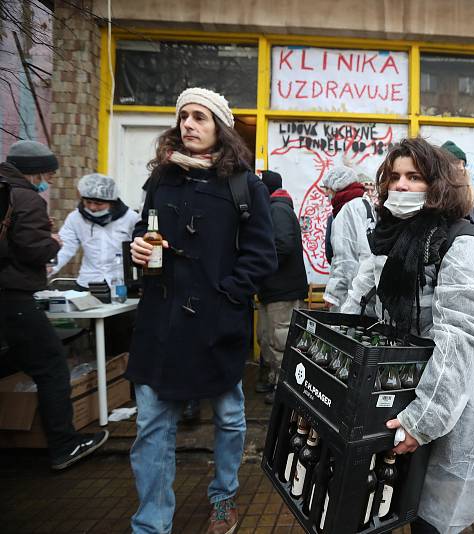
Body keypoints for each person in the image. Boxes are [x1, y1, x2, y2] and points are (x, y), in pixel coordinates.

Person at [341, 138, 474, 534]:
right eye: (394, 177)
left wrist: (423, 420)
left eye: (414, 177)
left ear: (437, 184)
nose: (401, 186)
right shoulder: (386, 237)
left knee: (431, 518)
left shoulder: (459, 242)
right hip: (395, 390)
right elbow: (361, 303)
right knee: (390, 500)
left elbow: (459, 340)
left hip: (447, 400)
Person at [127, 87, 277, 534]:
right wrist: (137, 247)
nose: (188, 125)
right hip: (160, 322)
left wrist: (227, 295)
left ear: (220, 128)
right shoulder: (161, 179)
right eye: (184, 117)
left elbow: (262, 255)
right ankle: (151, 523)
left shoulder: (244, 185)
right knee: (152, 427)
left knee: (230, 419)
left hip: (216, 324)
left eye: (200, 118)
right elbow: (143, 228)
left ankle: (224, 497)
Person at [0, 140, 108, 470]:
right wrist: (51, 243)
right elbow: (35, 250)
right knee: (51, 365)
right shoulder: (27, 198)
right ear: (33, 173)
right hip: (13, 295)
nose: (46, 180)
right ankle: (64, 445)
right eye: (46, 173)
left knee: (13, 360)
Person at [255, 170, 307, 403]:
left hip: (282, 291)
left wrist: (258, 265)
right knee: (267, 338)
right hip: (272, 290)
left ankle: (285, 388)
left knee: (281, 340)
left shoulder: (277, 209)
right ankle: (276, 380)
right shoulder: (276, 208)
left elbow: (283, 245)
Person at [50, 173, 139, 288]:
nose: (92, 207)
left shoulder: (130, 218)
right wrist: (51, 267)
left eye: (99, 204)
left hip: (120, 282)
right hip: (88, 281)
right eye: (88, 202)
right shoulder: (75, 218)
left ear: (111, 202)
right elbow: (66, 246)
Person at [322, 166, 374, 312]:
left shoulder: (347, 210)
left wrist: (332, 295)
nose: (326, 193)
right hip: (368, 287)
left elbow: (344, 258)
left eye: (328, 188)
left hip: (352, 291)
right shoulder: (364, 204)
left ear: (337, 185)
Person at [440, 140, 474, 226]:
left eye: (463, 164)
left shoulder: (472, 206)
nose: (461, 168)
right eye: (456, 162)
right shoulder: (434, 202)